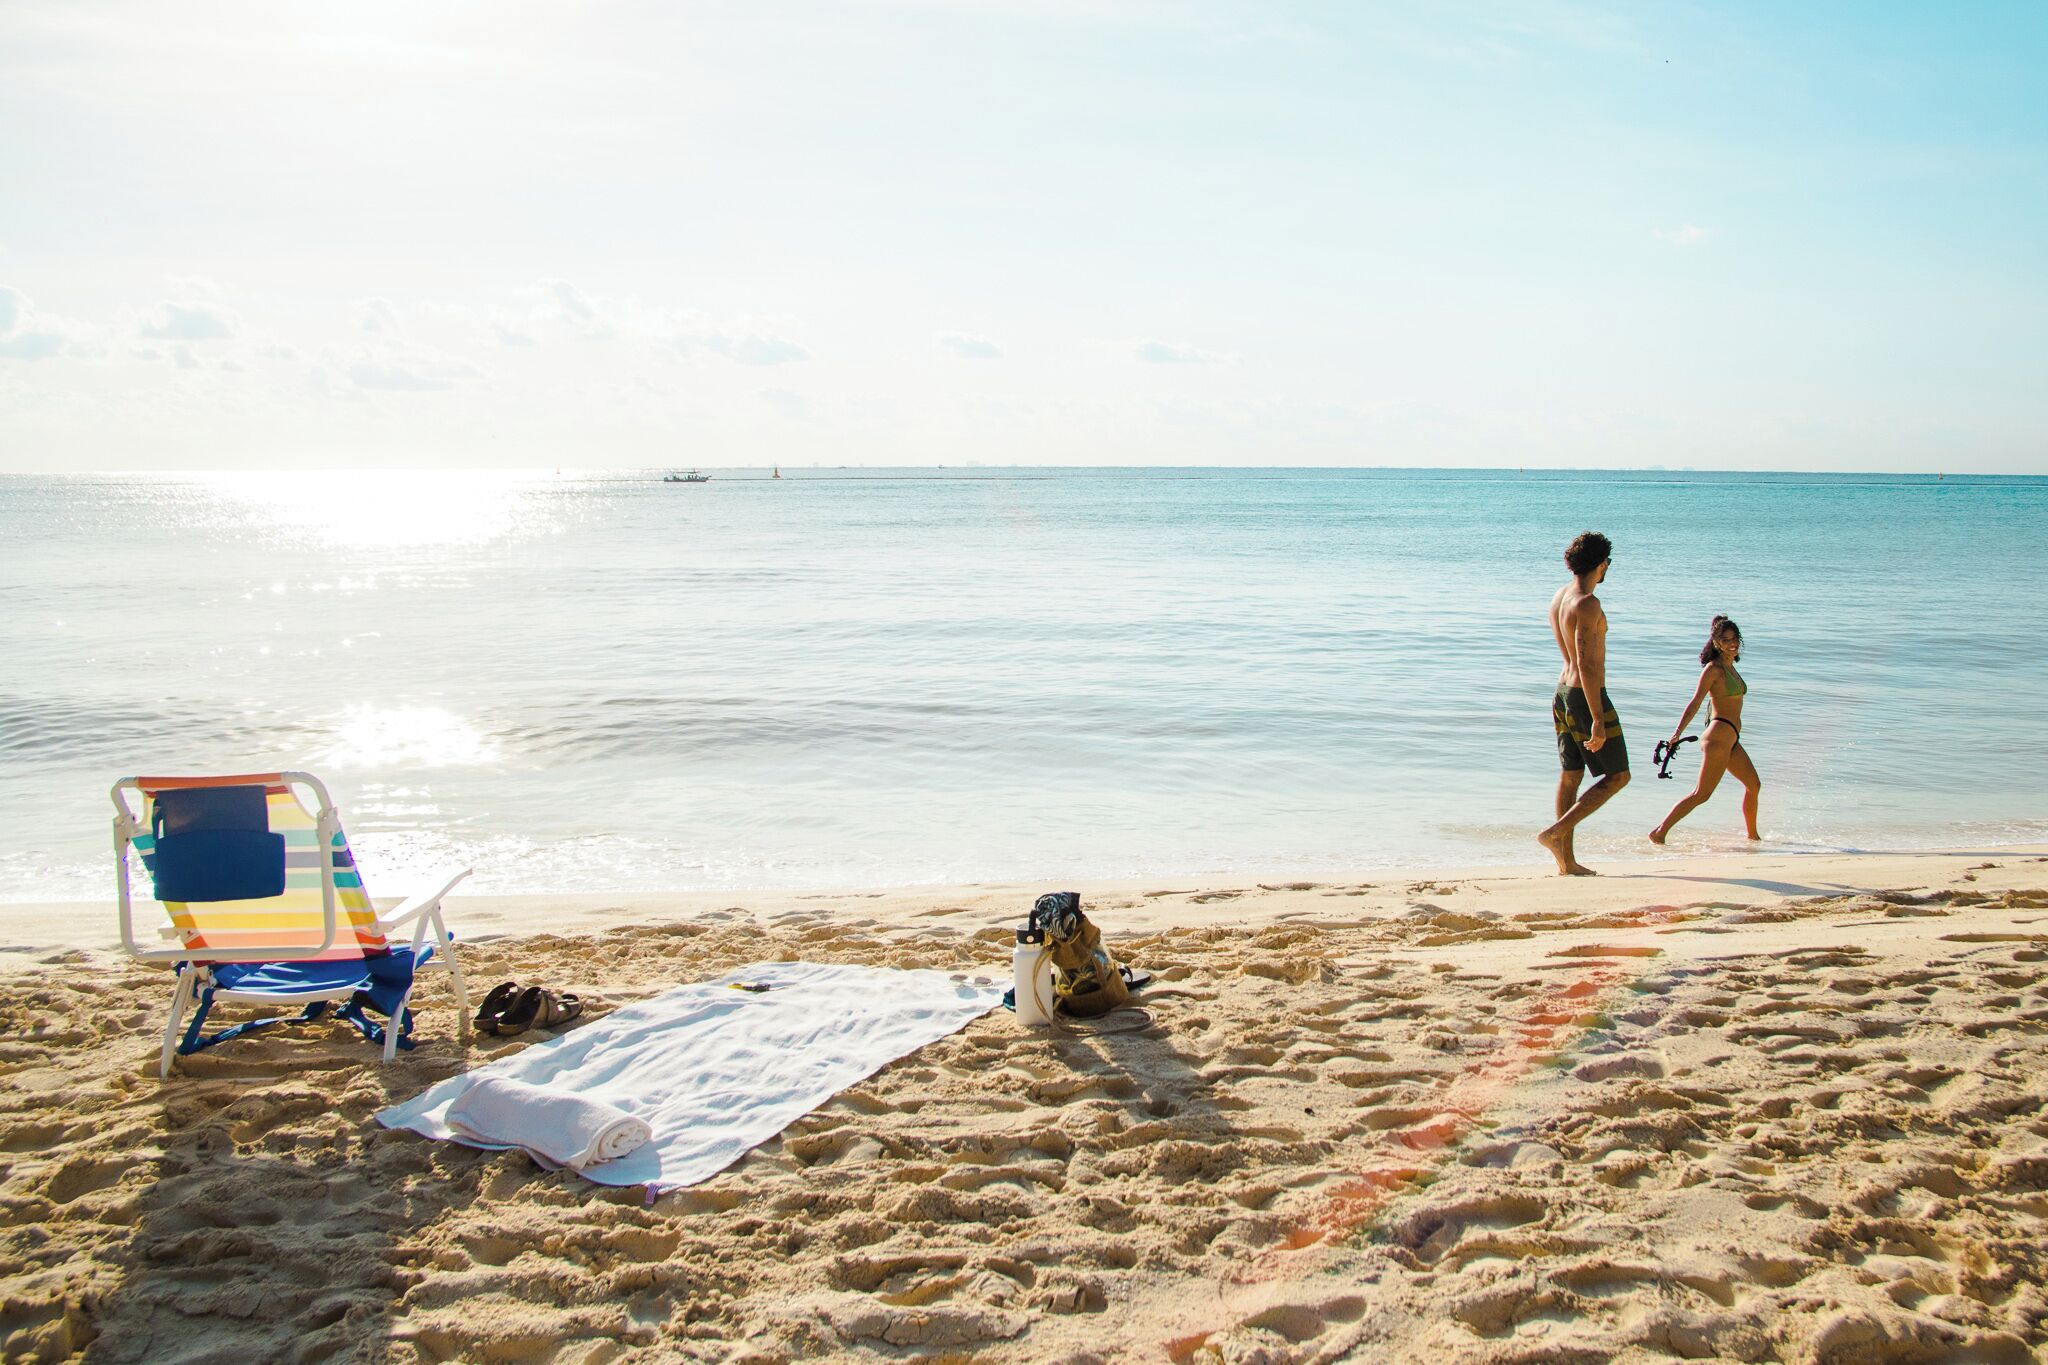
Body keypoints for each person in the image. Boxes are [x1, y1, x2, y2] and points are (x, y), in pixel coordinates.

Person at [1540, 531, 1630, 875]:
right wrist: (1596, 716)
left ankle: (1566, 862)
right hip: (1582, 695)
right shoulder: (1587, 603)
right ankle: (1555, 833)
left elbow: (1572, 660)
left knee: (1571, 776)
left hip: (1562, 693)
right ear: (1601, 563)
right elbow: (1588, 664)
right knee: (1618, 775)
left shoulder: (1560, 596)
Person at [1649, 616, 1762, 844]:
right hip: (1718, 738)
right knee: (1702, 794)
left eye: (1734, 639)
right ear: (1716, 642)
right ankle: (1659, 832)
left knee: (1753, 785)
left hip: (1730, 739)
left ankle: (1753, 837)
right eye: (1726, 639)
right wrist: (1677, 733)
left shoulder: (1730, 667)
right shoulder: (1713, 670)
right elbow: (1695, 702)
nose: (1732, 643)